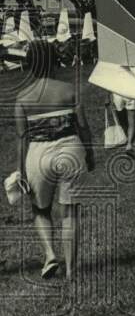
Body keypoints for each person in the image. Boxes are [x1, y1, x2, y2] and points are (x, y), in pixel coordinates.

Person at [13, 40, 94, 280]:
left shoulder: (22, 98)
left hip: (38, 154)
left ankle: (50, 255)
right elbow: (84, 127)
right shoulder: (69, 90)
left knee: (40, 208)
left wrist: (20, 172)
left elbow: (21, 139)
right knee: (69, 211)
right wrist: (90, 153)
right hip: (70, 149)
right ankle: (70, 270)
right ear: (53, 61)